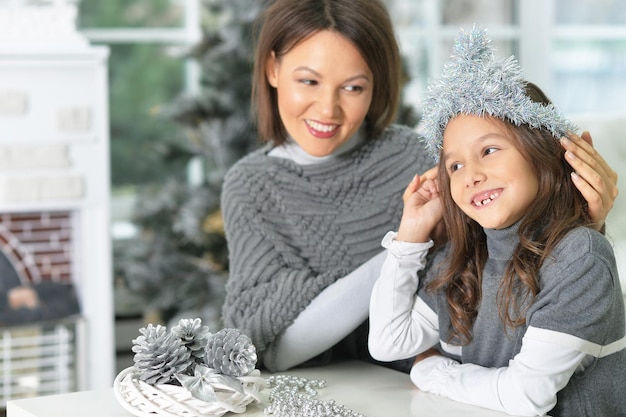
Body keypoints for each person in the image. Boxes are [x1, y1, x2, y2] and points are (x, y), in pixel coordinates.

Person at [221, 0, 619, 373]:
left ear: (377, 84)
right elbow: (269, 349)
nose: (328, 109)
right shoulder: (250, 186)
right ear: (273, 69)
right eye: (308, 81)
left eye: (353, 87)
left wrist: (576, 221)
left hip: (439, 390)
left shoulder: (425, 160)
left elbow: (512, 266)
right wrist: (410, 244)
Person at [368, 27, 625, 417]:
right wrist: (409, 237)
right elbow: (388, 342)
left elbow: (527, 397)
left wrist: (434, 371)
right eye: (454, 164)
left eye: (488, 150)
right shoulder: (462, 257)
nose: (470, 174)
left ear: (541, 153)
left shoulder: (579, 256)